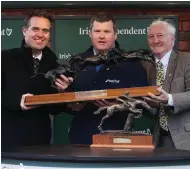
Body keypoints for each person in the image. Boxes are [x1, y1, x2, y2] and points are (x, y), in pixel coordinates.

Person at [66, 12, 156, 145]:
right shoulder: (76, 63)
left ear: (115, 34)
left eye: (107, 31)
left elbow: (144, 101)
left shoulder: (132, 64)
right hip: (81, 137)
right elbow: (65, 104)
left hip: (119, 137)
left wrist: (118, 106)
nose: (101, 36)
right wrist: (66, 90)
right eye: (97, 31)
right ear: (90, 34)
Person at [1, 10, 72, 152]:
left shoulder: (55, 67)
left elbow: (55, 109)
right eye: (35, 29)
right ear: (24, 30)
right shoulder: (5, 58)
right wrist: (17, 101)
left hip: (41, 141)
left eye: (45, 30)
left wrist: (64, 92)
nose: (40, 35)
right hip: (7, 140)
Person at [145, 19, 190, 150]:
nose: (155, 40)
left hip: (185, 136)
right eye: (151, 37)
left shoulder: (186, 60)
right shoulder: (148, 66)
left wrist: (169, 99)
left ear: (172, 39)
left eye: (160, 35)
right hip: (158, 138)